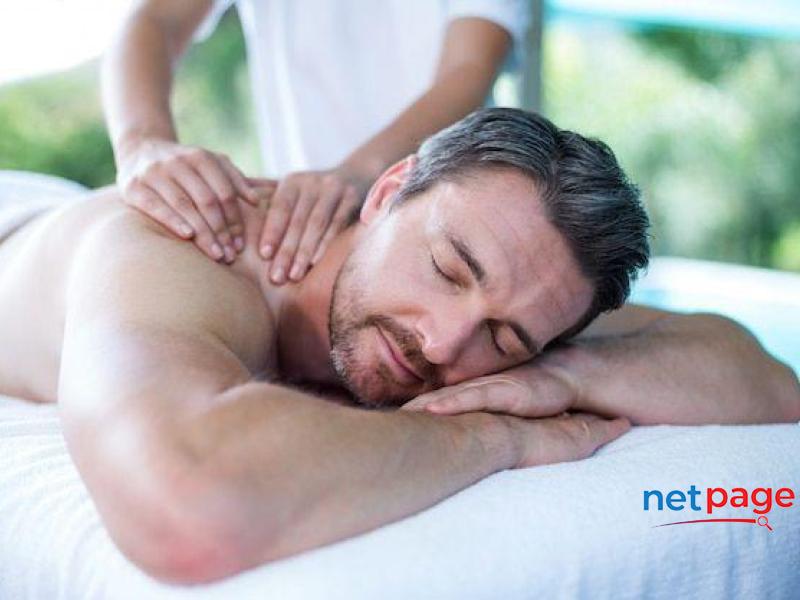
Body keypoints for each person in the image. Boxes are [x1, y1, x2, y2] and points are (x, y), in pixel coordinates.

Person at [0, 109, 796, 585]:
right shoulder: (179, 256)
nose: (443, 343)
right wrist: (495, 436)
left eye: (504, 338)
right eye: (448, 269)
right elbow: (184, 504)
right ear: (386, 193)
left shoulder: (521, 290)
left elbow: (764, 378)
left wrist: (562, 374)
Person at [102, 0, 527, 285]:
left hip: (433, 217)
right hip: (302, 222)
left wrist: (361, 173)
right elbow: (154, 19)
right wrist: (142, 144)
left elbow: (468, 68)